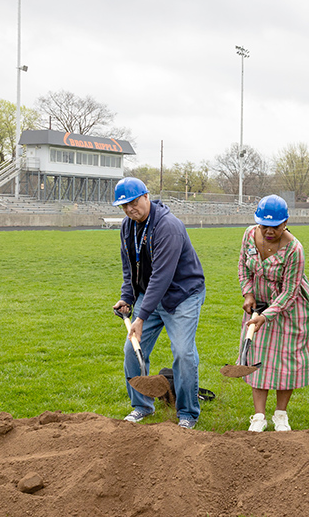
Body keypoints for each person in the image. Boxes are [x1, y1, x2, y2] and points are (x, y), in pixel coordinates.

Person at [111, 177, 206, 429]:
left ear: (146, 196)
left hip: (182, 294)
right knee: (132, 350)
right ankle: (142, 406)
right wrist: (127, 297)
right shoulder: (127, 227)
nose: (130, 209)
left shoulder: (168, 227)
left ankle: (187, 413)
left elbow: (162, 276)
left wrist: (140, 318)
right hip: (151, 294)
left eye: (133, 203)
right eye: (124, 206)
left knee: (184, 352)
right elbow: (130, 268)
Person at [238, 195, 309, 432]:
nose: (268, 231)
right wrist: (248, 295)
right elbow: (243, 268)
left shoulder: (295, 249)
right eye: (264, 225)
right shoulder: (248, 235)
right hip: (258, 306)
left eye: (274, 226)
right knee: (257, 358)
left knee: (285, 361)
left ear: (285, 223)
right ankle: (258, 416)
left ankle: (281, 415)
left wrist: (268, 315)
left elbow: (289, 292)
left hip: (290, 309)